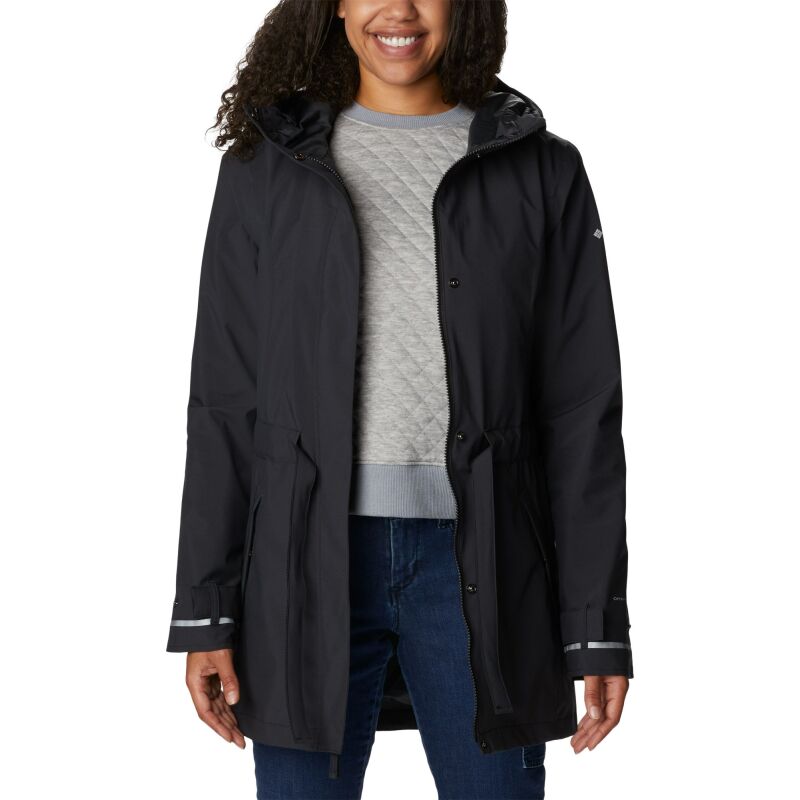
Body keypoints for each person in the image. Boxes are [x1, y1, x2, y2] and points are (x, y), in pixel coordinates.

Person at [165, 1, 634, 797]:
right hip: (302, 566)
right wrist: (206, 610)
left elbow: (581, 409)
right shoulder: (264, 165)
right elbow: (224, 397)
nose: (400, 10)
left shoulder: (542, 168)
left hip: (486, 565)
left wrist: (596, 626)